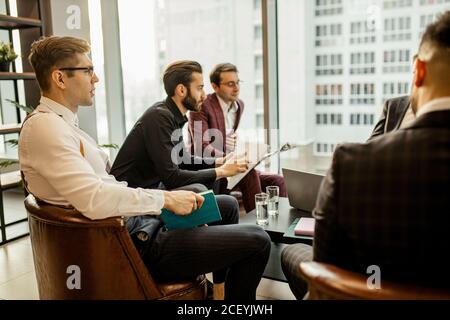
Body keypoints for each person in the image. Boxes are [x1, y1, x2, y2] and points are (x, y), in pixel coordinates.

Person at [19, 36, 271, 300]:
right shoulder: (45, 127)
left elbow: (110, 185)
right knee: (257, 239)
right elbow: (94, 198)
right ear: (60, 78)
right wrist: (166, 200)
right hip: (136, 241)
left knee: (226, 206)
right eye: (88, 70)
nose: (96, 79)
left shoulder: (64, 126)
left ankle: (219, 290)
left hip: (139, 224)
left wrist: (169, 200)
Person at [281, 11, 450, 298]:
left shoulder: (352, 163)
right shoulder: (388, 116)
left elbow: (328, 267)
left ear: (419, 71)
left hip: (369, 286)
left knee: (292, 252)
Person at [110, 60, 253, 297]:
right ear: (181, 90)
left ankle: (219, 288)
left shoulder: (173, 115)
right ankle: (201, 254)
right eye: (199, 88)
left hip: (155, 190)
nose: (203, 95)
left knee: (227, 206)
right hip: (137, 203)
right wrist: (221, 172)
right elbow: (173, 176)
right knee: (198, 188)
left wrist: (219, 162)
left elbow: (183, 157)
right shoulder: (159, 117)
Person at [189, 63, 287, 212]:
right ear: (215, 87)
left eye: (237, 82)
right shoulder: (202, 107)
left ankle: (281, 223)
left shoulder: (239, 105)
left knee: (277, 180)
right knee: (249, 172)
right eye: (230, 84)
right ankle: (261, 227)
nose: (236, 88)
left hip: (230, 162)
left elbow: (226, 138)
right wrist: (231, 158)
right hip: (210, 166)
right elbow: (202, 148)